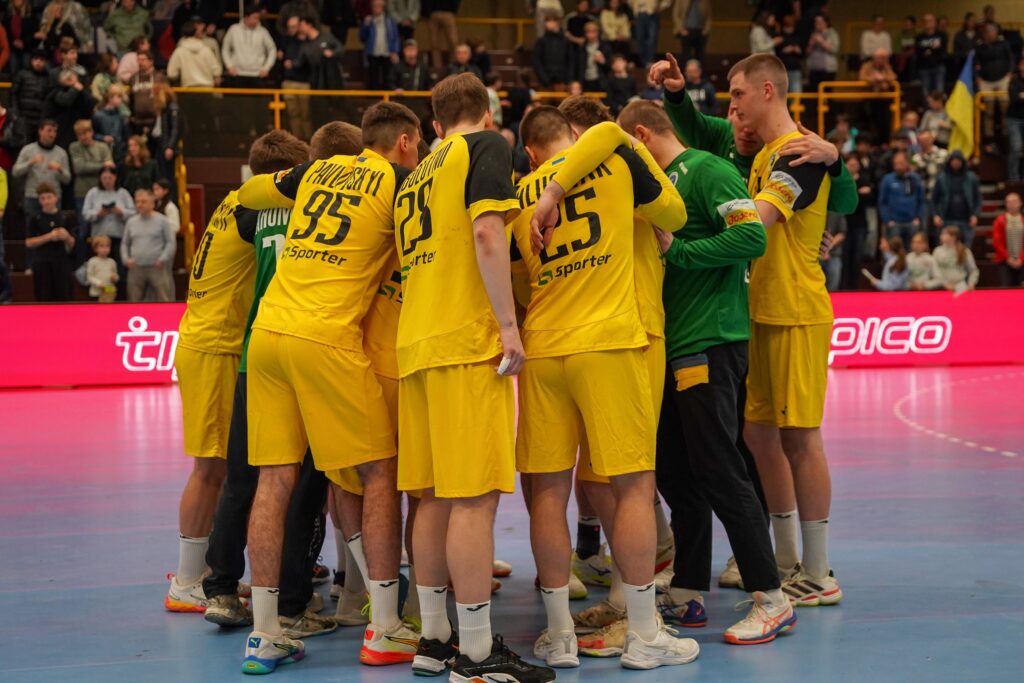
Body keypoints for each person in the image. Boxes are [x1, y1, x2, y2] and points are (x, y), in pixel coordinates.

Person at [234, 102, 422, 674]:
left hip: (268, 335)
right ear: (405, 143)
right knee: (380, 472)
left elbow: (249, 194)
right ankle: (385, 625)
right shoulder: (397, 182)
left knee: (274, 479)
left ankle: (265, 633)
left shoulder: (316, 170)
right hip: (326, 337)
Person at [508, 104, 698, 668]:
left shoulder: (520, 195)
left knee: (547, 490)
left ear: (532, 151)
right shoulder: (616, 158)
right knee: (633, 486)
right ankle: (642, 633)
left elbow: (518, 281)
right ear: (575, 136)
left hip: (545, 345)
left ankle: (558, 634)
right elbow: (676, 213)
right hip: (611, 339)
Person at [391, 73, 552, 682]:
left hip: (416, 344)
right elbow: (487, 231)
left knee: (432, 498)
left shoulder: (416, 176)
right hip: (463, 342)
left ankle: (434, 639)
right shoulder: (484, 146)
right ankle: (479, 654)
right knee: (474, 499)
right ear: (487, 113)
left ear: (433, 125)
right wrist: (509, 327)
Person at [201, 129, 348, 638]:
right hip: (305, 346)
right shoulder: (318, 204)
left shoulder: (252, 211)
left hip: (255, 353)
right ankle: (292, 600)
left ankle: (221, 586)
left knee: (243, 478)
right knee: (306, 485)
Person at [721, 52, 842, 605]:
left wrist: (692, 228)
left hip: (796, 311)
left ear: (767, 90)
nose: (733, 106)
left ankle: (818, 572)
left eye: (737, 94)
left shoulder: (801, 153)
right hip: (762, 312)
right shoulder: (766, 154)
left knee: (800, 437)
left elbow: (759, 219)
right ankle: (787, 557)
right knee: (758, 435)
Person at [83, 165, 135, 295]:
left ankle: (120, 298)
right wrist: (98, 213)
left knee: (118, 270)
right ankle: (98, 296)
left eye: (110, 178)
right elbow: (85, 213)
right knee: (98, 269)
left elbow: (133, 212)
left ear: (115, 178)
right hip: (99, 239)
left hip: (118, 237)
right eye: (104, 178)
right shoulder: (93, 193)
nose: (107, 181)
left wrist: (121, 212)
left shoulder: (123, 193)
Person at [121, 188, 175, 302]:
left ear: (152, 203)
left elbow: (170, 242)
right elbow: (125, 243)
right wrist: (126, 259)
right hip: (136, 267)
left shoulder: (163, 221)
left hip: (157, 267)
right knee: (133, 300)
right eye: (137, 202)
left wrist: (163, 259)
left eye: (143, 201)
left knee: (163, 299)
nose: (140, 205)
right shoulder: (131, 222)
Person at [25, 182, 74, 301]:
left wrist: (66, 236)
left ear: (55, 198)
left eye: (49, 197)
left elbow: (73, 243)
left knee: (63, 296)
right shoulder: (35, 218)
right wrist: (49, 236)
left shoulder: (65, 217)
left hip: (61, 261)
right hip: (42, 261)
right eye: (43, 198)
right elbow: (29, 242)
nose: (46, 201)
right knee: (44, 296)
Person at [13, 119, 71, 220]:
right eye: (49, 130)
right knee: (31, 225)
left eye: (55, 131)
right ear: (40, 131)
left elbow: (67, 179)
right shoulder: (28, 150)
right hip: (33, 196)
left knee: (55, 226)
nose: (52, 134)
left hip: (54, 197)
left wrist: (60, 169)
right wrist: (30, 163)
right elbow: (15, 172)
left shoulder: (61, 153)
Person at [932, 150, 981, 250]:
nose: (956, 163)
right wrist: (936, 215)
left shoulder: (971, 178)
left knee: (965, 250)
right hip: (946, 220)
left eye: (958, 160)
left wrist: (975, 214)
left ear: (962, 162)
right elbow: (934, 199)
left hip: (966, 221)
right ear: (949, 162)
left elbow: (978, 198)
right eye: (953, 160)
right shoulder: (942, 178)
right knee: (945, 249)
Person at [222, 5, 277, 88]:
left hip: (257, 74)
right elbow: (225, 49)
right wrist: (229, 66)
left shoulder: (263, 32)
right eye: (255, 18)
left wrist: (267, 67)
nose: (257, 20)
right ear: (246, 17)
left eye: (258, 18)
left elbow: (272, 49)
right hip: (237, 73)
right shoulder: (233, 29)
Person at [69, 119, 115, 218]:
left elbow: (109, 168)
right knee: (83, 224)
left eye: (85, 134)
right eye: (79, 135)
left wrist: (95, 166)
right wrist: (102, 165)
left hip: (101, 191)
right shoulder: (74, 147)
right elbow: (80, 168)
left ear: (91, 132)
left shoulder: (103, 147)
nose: (82, 137)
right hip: (82, 192)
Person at [976, 23, 1014, 141]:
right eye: (987, 32)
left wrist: (1010, 73)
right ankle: (989, 135)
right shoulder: (980, 46)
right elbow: (975, 63)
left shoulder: (1004, 44)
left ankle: (1006, 132)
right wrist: (978, 77)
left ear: (996, 33)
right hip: (986, 81)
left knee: (1005, 106)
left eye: (992, 32)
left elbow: (1011, 58)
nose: (990, 34)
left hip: (1003, 79)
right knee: (989, 109)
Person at [878, 151, 924, 247]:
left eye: (901, 163)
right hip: (894, 222)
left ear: (907, 163)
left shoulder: (915, 178)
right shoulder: (888, 179)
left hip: (912, 221)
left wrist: (918, 217)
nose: (898, 167)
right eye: (896, 164)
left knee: (912, 250)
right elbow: (882, 202)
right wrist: (888, 219)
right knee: (895, 250)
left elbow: (921, 200)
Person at [43, 70, 95, 151]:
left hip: (76, 127)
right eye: (70, 79)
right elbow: (65, 101)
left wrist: (82, 91)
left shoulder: (80, 91)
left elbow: (90, 104)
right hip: (59, 128)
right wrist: (75, 89)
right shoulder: (56, 91)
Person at [167, 19, 223, 87]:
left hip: (187, 89)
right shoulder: (206, 50)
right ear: (196, 33)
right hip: (207, 90)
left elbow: (171, 73)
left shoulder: (179, 51)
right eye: (202, 30)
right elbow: (217, 71)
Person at [296, 14, 345, 90]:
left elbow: (341, 48)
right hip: (315, 79)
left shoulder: (326, 36)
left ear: (309, 25)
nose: (300, 29)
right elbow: (299, 62)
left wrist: (332, 53)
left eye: (302, 26)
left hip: (332, 77)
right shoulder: (304, 44)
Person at [359, 0, 400, 91]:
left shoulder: (390, 21)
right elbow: (362, 37)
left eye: (379, 6)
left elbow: (395, 37)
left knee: (387, 78)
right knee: (373, 78)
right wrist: (365, 25)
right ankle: (373, 97)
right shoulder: (368, 20)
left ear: (383, 7)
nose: (377, 8)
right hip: (373, 53)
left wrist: (395, 51)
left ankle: (387, 98)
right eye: (375, 6)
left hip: (387, 53)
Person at [12, 49, 52, 141]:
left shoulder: (48, 77)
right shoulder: (22, 74)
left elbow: (48, 99)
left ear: (45, 62)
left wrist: (44, 117)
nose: (38, 62)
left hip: (40, 118)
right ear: (31, 60)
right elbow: (13, 95)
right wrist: (16, 113)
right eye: (36, 59)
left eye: (41, 60)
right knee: (22, 144)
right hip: (23, 117)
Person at [149, 82, 181, 182]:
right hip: (158, 144)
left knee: (167, 175)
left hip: (166, 146)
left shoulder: (172, 108)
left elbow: (175, 129)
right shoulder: (161, 110)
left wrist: (170, 147)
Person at [932, 225, 979, 292]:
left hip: (960, 286)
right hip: (941, 287)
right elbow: (935, 271)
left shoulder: (964, 250)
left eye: (944, 234)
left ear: (953, 237)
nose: (941, 236)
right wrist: (944, 284)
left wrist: (971, 283)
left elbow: (973, 270)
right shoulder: (937, 251)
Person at [93, 84, 130, 165]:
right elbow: (93, 134)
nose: (121, 100)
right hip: (103, 154)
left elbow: (125, 137)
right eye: (119, 97)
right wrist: (103, 138)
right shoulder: (98, 116)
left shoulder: (121, 116)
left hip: (120, 154)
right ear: (110, 97)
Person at [993, 192, 1024, 287]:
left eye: (1014, 201)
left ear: (1020, 203)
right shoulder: (1000, 220)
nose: (1012, 204)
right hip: (1004, 261)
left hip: (1022, 260)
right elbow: (997, 242)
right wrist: (1008, 258)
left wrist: (1021, 259)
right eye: (1009, 202)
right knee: (1006, 287)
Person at [2, 0, 39, 78]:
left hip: (27, 47)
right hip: (12, 46)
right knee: (13, 66)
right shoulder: (8, 14)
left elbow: (35, 33)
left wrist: (24, 42)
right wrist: (13, 41)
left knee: (26, 65)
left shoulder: (31, 14)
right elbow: (4, 32)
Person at [631, 0, 669, 68]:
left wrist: (660, 7)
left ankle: (649, 61)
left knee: (651, 39)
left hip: (652, 14)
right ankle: (641, 62)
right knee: (639, 39)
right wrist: (633, 6)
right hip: (638, 14)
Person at [805, 14, 838, 92]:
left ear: (826, 23)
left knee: (827, 93)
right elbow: (807, 52)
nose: (817, 24)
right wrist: (811, 43)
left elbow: (834, 49)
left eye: (820, 22)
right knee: (813, 93)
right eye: (816, 22)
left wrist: (821, 41)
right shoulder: (813, 34)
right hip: (813, 69)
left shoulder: (832, 33)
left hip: (827, 70)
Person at [575, 21, 611, 92]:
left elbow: (610, 65)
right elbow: (577, 65)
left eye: (593, 32)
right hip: (585, 81)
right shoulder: (582, 48)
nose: (591, 34)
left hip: (600, 81)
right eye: (588, 32)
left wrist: (602, 61)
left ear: (598, 33)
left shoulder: (605, 47)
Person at [426, 0, 460, 70]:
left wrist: (454, 9)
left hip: (448, 12)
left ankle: (453, 66)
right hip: (433, 12)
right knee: (434, 42)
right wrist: (427, 12)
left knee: (453, 41)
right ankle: (437, 66)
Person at [85, 234, 119, 302]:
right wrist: (98, 283)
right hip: (96, 293)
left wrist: (115, 277)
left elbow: (116, 276)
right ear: (95, 248)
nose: (105, 249)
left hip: (109, 292)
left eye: (107, 246)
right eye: (102, 246)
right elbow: (89, 276)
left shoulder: (112, 262)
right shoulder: (92, 261)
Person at [775, 14, 803, 95]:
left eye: (791, 26)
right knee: (783, 94)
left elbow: (802, 53)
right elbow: (775, 53)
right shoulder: (779, 37)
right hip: (783, 70)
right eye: (787, 26)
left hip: (795, 69)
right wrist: (784, 51)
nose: (789, 28)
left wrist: (796, 50)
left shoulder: (797, 36)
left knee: (796, 94)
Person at [1008, 57, 1024, 182]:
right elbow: (1013, 98)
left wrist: (1021, 95)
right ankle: (1014, 179)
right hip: (1014, 119)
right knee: (1016, 147)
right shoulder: (1014, 80)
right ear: (1020, 66)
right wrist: (1019, 96)